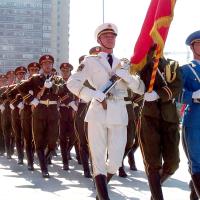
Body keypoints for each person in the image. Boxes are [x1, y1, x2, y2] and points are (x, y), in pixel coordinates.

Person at [67, 23, 144, 200]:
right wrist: (94, 94)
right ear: (99, 40)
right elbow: (72, 83)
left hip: (119, 113)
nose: (110, 38)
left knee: (115, 161)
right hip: (97, 112)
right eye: (106, 36)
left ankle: (100, 189)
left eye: (113, 36)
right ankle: (103, 195)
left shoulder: (124, 64)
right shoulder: (90, 61)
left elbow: (140, 88)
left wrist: (127, 77)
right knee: (98, 157)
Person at [138, 55, 182, 200]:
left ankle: (154, 191)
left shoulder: (172, 65)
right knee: (153, 165)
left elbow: (177, 86)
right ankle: (157, 196)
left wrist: (159, 94)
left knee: (173, 163)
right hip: (149, 118)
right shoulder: (141, 65)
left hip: (169, 118)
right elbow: (137, 85)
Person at [17, 55, 65, 178]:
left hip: (53, 113)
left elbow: (64, 91)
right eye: (45, 63)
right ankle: (44, 168)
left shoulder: (58, 79)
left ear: (52, 65)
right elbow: (21, 88)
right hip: (39, 112)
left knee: (52, 142)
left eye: (50, 63)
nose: (47, 65)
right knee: (39, 142)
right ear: (41, 66)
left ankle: (43, 159)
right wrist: (32, 100)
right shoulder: (35, 79)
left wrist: (53, 86)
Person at [180, 30, 200, 200]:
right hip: (195, 119)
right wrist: (193, 95)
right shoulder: (186, 70)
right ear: (192, 47)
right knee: (197, 163)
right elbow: (174, 94)